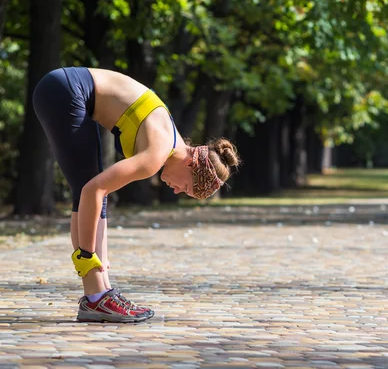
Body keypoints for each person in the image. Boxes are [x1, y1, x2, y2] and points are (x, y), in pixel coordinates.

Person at [33, 67, 240, 323]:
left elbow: (97, 194)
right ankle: (97, 297)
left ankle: (101, 292)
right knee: (89, 187)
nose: (176, 190)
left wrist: (102, 257)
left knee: (92, 188)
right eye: (185, 187)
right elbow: (92, 191)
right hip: (65, 91)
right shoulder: (156, 155)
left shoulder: (170, 137)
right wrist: (86, 255)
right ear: (190, 165)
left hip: (65, 88)